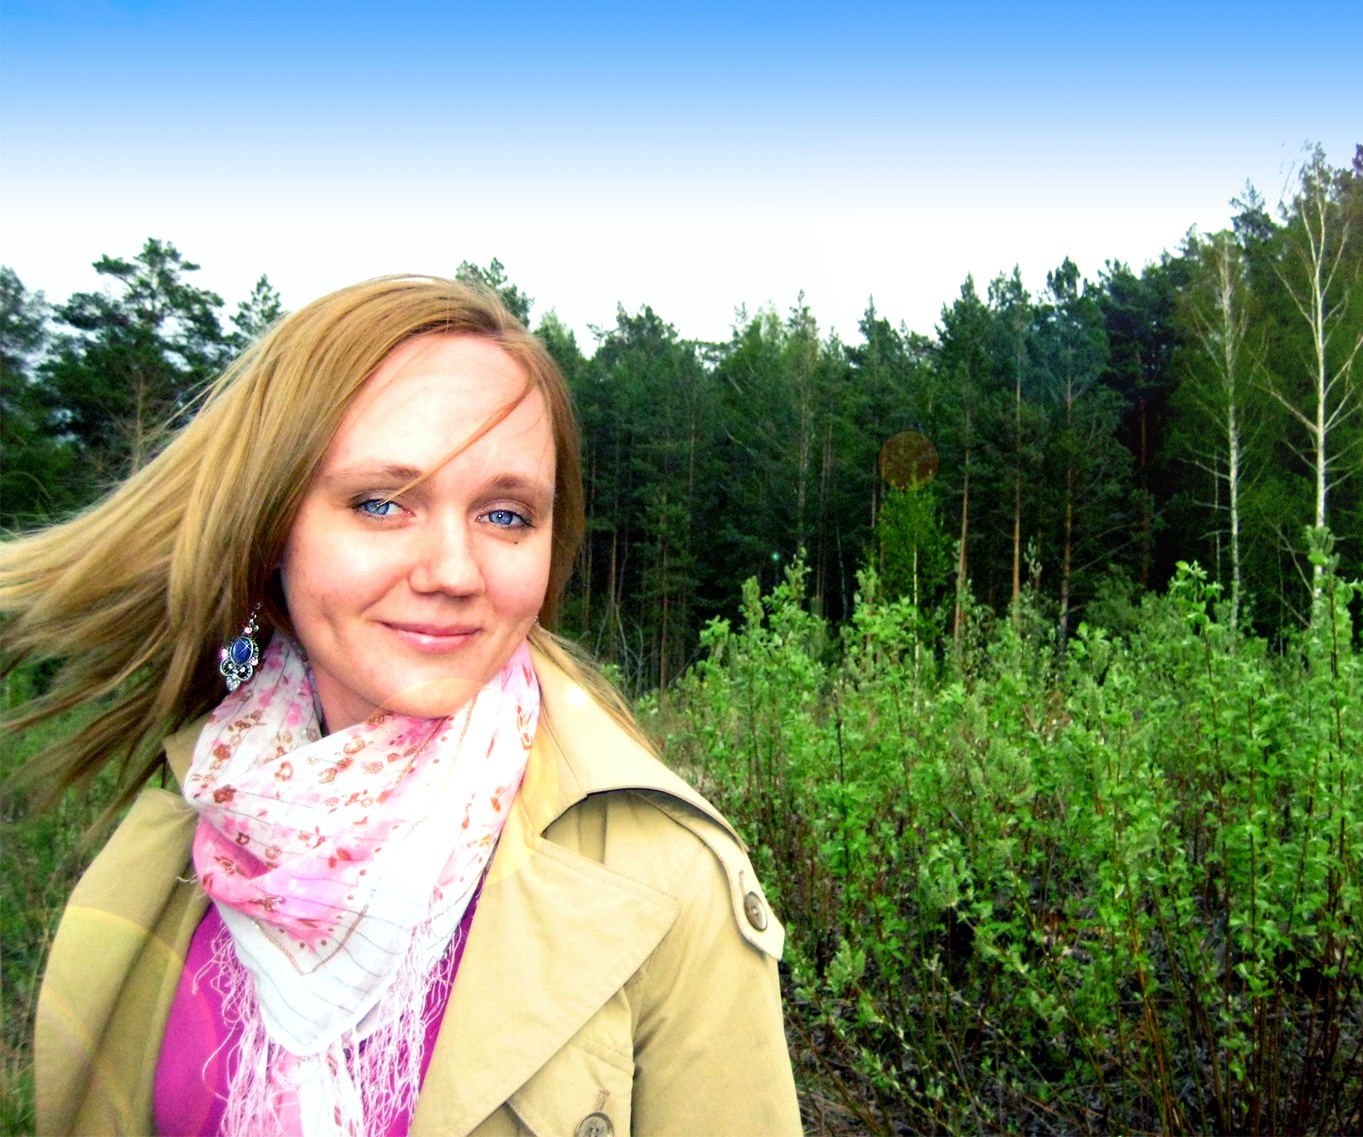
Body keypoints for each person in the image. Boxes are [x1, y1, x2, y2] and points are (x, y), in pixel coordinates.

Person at [4, 276, 801, 1136]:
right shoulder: (197, 812)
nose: (453, 572)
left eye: (505, 515)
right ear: (272, 528)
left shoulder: (667, 881)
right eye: (382, 503)